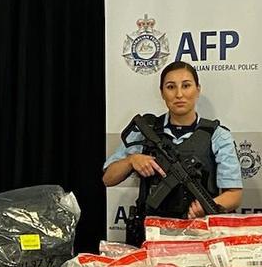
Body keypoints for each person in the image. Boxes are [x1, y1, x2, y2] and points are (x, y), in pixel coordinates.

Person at [103, 60, 243, 245]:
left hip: (199, 234)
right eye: (171, 87)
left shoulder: (217, 135)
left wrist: (206, 207)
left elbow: (234, 195)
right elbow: (108, 178)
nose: (179, 94)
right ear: (162, 93)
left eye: (186, 86)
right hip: (150, 234)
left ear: (197, 90)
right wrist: (131, 161)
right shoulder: (147, 130)